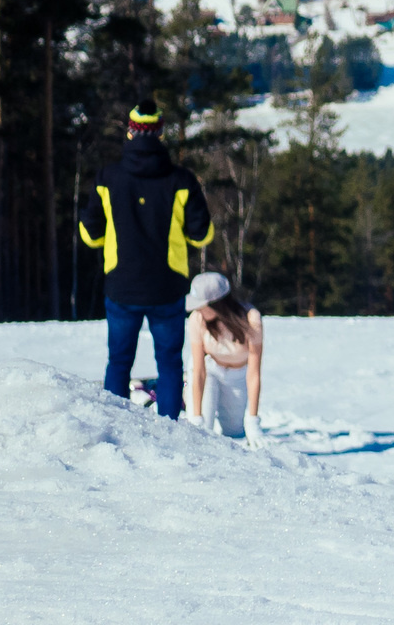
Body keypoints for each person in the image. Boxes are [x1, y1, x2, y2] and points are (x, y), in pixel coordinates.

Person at [77, 100, 216, 418]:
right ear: (160, 134)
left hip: (121, 284)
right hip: (167, 287)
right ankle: (169, 429)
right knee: (169, 363)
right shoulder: (182, 180)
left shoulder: (107, 178)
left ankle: (114, 425)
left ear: (130, 132)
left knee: (119, 361)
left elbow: (90, 235)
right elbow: (202, 235)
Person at [184, 271, 265, 444]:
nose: (197, 309)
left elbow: (254, 373)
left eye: (201, 304)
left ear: (217, 303)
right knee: (203, 429)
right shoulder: (197, 319)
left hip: (237, 376)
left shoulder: (251, 319)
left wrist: (252, 420)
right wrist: (197, 417)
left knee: (234, 431)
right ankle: (187, 397)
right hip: (210, 371)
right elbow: (199, 371)